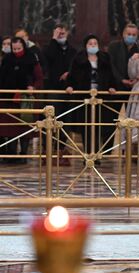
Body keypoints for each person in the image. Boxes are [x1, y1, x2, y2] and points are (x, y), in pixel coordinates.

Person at [65, 34, 117, 155]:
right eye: (90, 44)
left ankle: (98, 154)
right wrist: (69, 86)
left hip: (101, 97)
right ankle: (88, 154)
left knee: (99, 127)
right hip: (84, 97)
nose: (93, 46)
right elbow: (71, 75)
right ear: (85, 46)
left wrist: (112, 87)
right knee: (86, 127)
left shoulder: (105, 58)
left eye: (95, 44)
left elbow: (111, 75)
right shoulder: (79, 58)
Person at [0, 37, 44, 163]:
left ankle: (24, 154)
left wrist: (33, 87)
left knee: (25, 127)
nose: (16, 51)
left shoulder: (31, 58)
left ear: (24, 47)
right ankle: (12, 154)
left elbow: (39, 77)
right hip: (8, 98)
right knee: (10, 128)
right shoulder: (7, 59)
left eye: (19, 48)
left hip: (25, 99)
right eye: (14, 49)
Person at [43, 23, 77, 166]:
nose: (61, 35)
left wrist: (69, 73)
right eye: (58, 33)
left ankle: (61, 149)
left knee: (64, 121)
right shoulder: (48, 48)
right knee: (50, 120)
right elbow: (46, 59)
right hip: (52, 88)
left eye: (63, 33)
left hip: (67, 90)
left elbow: (75, 66)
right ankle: (48, 150)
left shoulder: (73, 50)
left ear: (68, 33)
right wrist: (53, 40)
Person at [108, 23, 139, 91]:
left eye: (134, 35)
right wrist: (122, 80)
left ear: (137, 36)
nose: (131, 36)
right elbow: (111, 65)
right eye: (129, 34)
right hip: (116, 85)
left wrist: (136, 80)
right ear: (123, 34)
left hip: (135, 86)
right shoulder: (113, 46)